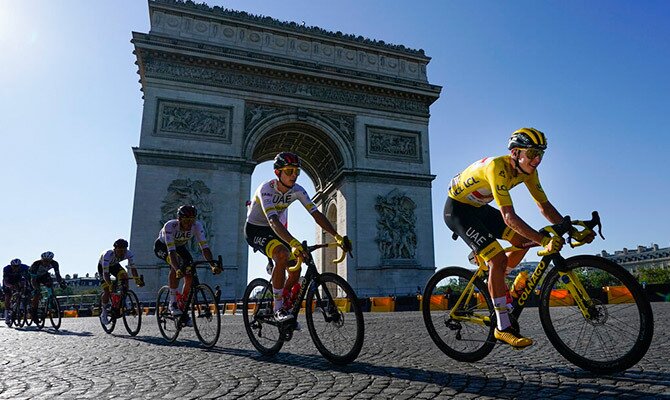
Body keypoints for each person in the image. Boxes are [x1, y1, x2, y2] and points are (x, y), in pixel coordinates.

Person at [443, 127, 593, 348]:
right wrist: (543, 241)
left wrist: (568, 229)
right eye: (532, 154)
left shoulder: (529, 172)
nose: (537, 160)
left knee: (523, 242)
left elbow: (544, 206)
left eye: (541, 154)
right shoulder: (497, 167)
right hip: (458, 212)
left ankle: (499, 284)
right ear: (515, 153)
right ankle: (502, 327)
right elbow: (508, 216)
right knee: (498, 258)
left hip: (480, 209)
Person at [245, 151, 352, 322]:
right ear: (277, 173)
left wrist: (337, 236)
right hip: (256, 229)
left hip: (275, 231)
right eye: (289, 171)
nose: (294, 175)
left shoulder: (298, 190)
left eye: (297, 171)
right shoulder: (265, 189)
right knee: (281, 253)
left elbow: (316, 214)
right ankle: (278, 308)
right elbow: (272, 221)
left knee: (297, 267)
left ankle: (285, 301)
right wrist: (293, 242)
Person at [154, 205, 221, 317]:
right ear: (179, 219)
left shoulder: (197, 226)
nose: (189, 224)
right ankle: (173, 302)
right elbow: (171, 251)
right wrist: (177, 269)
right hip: (163, 247)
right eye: (186, 220)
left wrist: (212, 265)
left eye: (192, 220)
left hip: (180, 246)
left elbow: (204, 247)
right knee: (176, 265)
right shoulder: (170, 226)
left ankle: (183, 303)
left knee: (190, 273)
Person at [98, 238, 145, 324]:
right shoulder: (107, 255)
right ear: (115, 249)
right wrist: (109, 284)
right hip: (103, 268)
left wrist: (137, 280)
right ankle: (104, 312)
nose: (121, 253)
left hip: (115, 266)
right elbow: (105, 273)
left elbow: (133, 269)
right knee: (107, 290)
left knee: (125, 276)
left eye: (123, 251)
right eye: (119, 251)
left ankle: (124, 298)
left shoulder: (128, 254)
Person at [29, 251, 66, 321]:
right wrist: (36, 288)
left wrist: (61, 283)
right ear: (41, 259)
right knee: (37, 293)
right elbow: (33, 280)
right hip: (34, 277)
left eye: (48, 261)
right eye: (45, 261)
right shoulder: (36, 264)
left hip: (44, 275)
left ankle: (52, 302)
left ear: (51, 260)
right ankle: (34, 313)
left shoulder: (54, 263)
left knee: (50, 285)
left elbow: (58, 275)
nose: (46, 263)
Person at [3, 259, 30, 325]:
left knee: (24, 285)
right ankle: (7, 315)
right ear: (11, 265)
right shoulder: (7, 269)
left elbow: (31, 272)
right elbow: (5, 281)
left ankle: (21, 302)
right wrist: (9, 286)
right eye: (14, 266)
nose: (16, 268)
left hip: (18, 280)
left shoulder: (24, 267)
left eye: (17, 266)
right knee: (8, 296)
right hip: (8, 281)